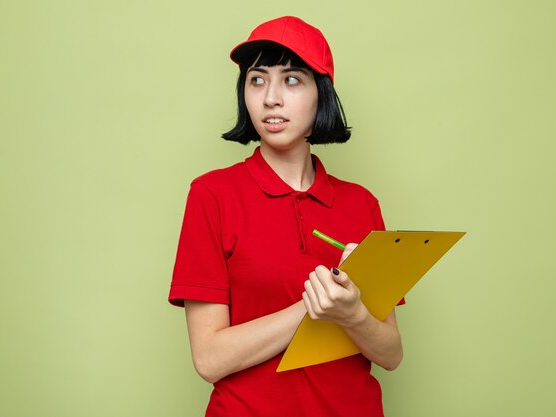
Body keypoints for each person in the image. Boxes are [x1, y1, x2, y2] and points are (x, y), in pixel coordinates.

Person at [169, 16, 404, 417]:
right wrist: (313, 307)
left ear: (321, 93)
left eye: (292, 79)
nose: (270, 98)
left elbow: (391, 353)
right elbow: (209, 359)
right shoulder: (212, 196)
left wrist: (353, 314)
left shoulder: (362, 204)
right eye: (257, 80)